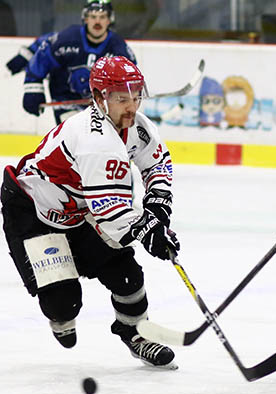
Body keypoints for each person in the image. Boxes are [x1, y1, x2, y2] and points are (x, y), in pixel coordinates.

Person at [1, 56, 180, 369]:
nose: (131, 106)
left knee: (127, 275)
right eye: (122, 98)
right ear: (99, 98)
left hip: (80, 210)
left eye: (136, 95)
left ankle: (136, 333)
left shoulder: (135, 127)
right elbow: (112, 211)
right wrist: (148, 230)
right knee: (63, 304)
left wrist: (157, 207)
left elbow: (157, 163)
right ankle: (60, 317)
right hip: (34, 212)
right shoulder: (94, 141)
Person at [22, 0, 137, 125]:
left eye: (102, 17)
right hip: (66, 100)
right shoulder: (67, 38)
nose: (97, 22)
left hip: (101, 105)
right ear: (86, 19)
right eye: (93, 17)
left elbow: (129, 80)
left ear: (109, 20)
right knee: (79, 133)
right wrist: (32, 89)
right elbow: (42, 59)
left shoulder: (119, 48)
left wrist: (123, 97)